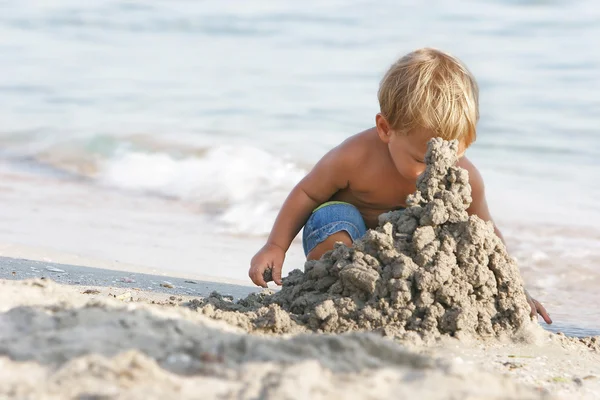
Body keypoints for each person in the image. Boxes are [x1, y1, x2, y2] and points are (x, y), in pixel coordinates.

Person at [248, 47, 552, 324]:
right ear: (385, 129)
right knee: (336, 217)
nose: (433, 171)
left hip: (401, 265)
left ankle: (397, 297)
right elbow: (307, 193)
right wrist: (275, 246)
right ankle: (336, 290)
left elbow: (484, 237)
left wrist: (513, 289)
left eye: (447, 156)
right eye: (423, 159)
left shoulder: (464, 178)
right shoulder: (355, 156)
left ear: (466, 142)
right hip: (344, 237)